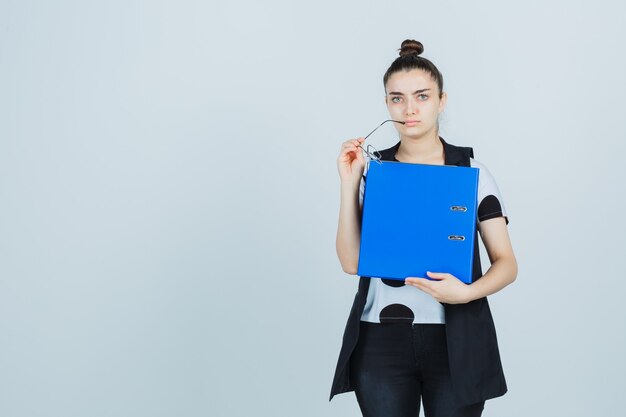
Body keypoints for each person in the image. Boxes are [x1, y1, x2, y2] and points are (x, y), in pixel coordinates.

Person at [330, 39, 518, 417]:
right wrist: (348, 182)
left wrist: (466, 294)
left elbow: (506, 263)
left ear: (441, 101)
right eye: (397, 98)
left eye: (422, 96)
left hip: (456, 339)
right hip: (380, 341)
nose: (409, 109)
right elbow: (352, 262)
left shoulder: (471, 173)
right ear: (386, 104)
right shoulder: (373, 171)